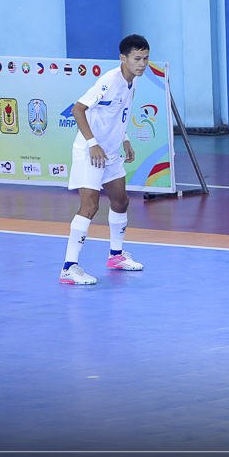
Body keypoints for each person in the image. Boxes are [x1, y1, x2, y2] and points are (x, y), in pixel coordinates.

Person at [59, 35, 149, 285]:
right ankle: (68, 268)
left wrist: (126, 139)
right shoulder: (109, 81)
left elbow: (119, 114)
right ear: (123, 58)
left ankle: (116, 256)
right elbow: (78, 109)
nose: (142, 64)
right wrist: (92, 143)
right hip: (91, 152)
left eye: (145, 58)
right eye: (137, 59)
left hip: (110, 152)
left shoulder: (132, 81)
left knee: (121, 201)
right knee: (90, 207)